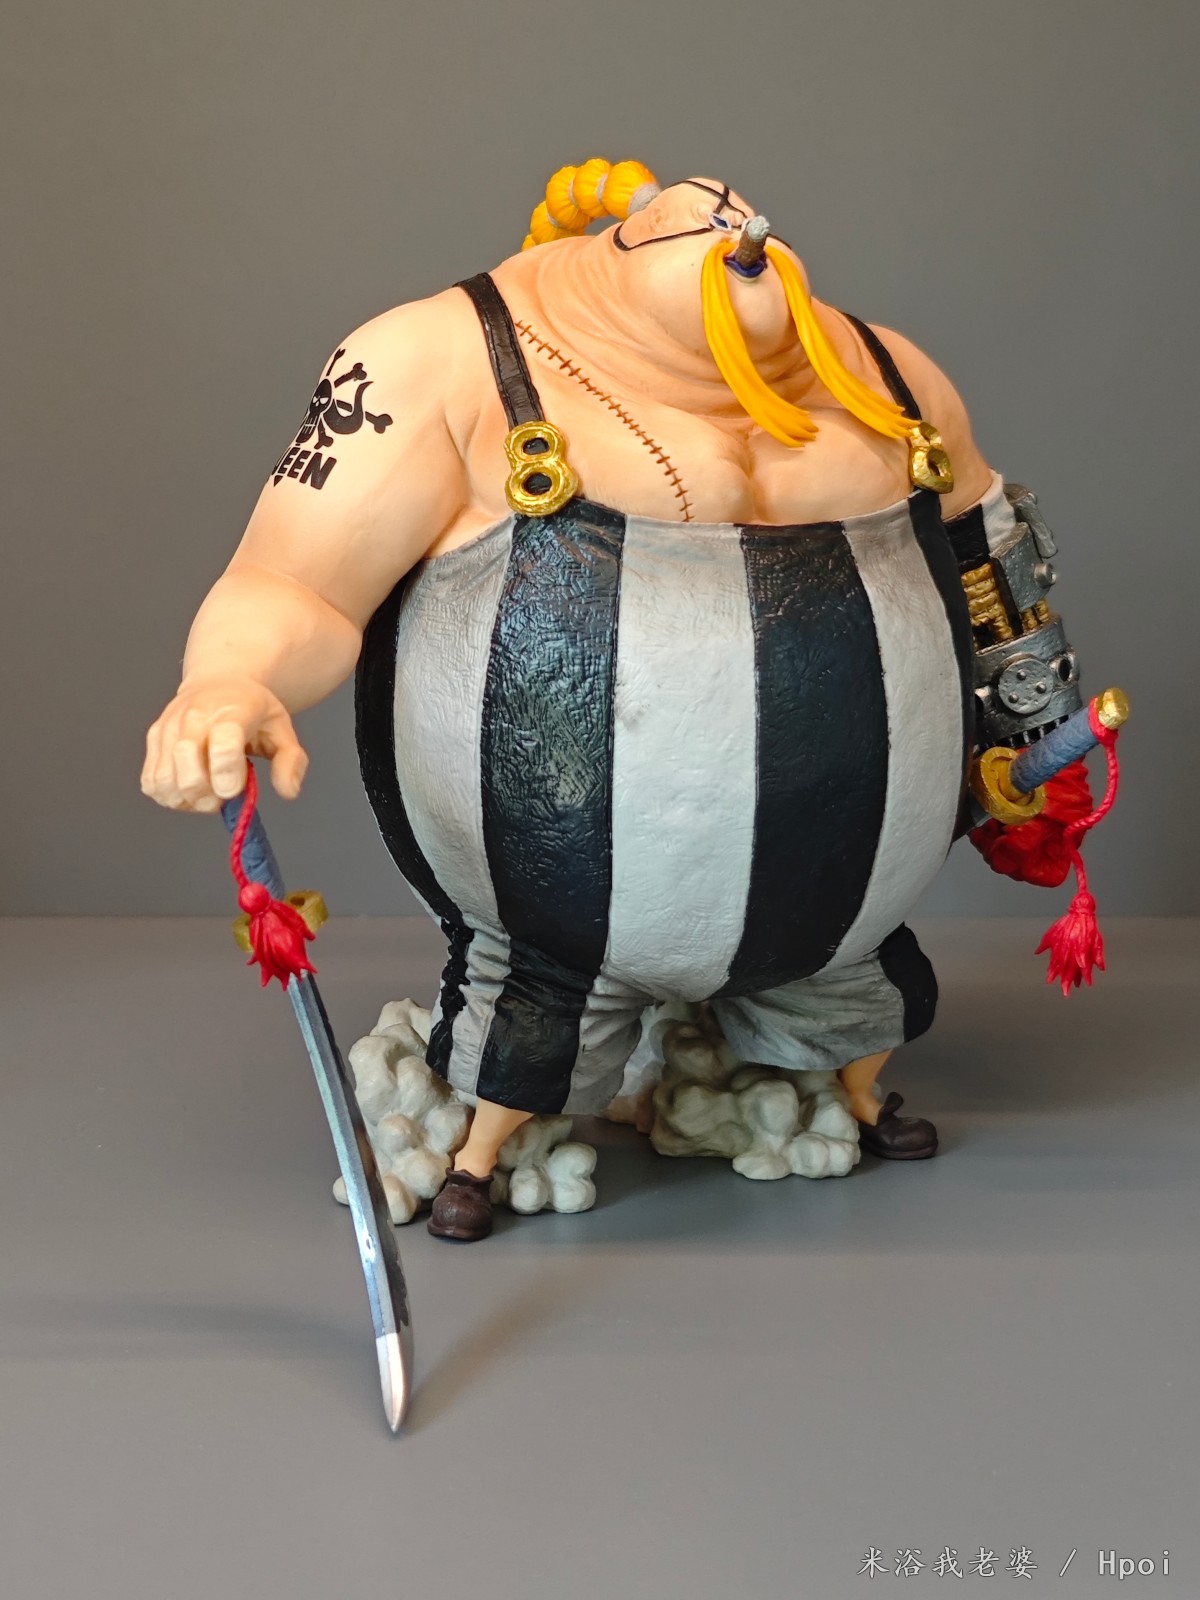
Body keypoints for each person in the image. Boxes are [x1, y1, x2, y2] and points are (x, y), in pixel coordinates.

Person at [142, 160, 1038, 1242]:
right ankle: (484, 1146)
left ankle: (840, 1084)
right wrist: (228, 681)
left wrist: (1036, 728)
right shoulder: (441, 359)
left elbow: (993, 563)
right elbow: (296, 579)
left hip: (847, 901)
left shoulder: (885, 372)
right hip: (553, 911)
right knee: (536, 1011)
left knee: (859, 994)